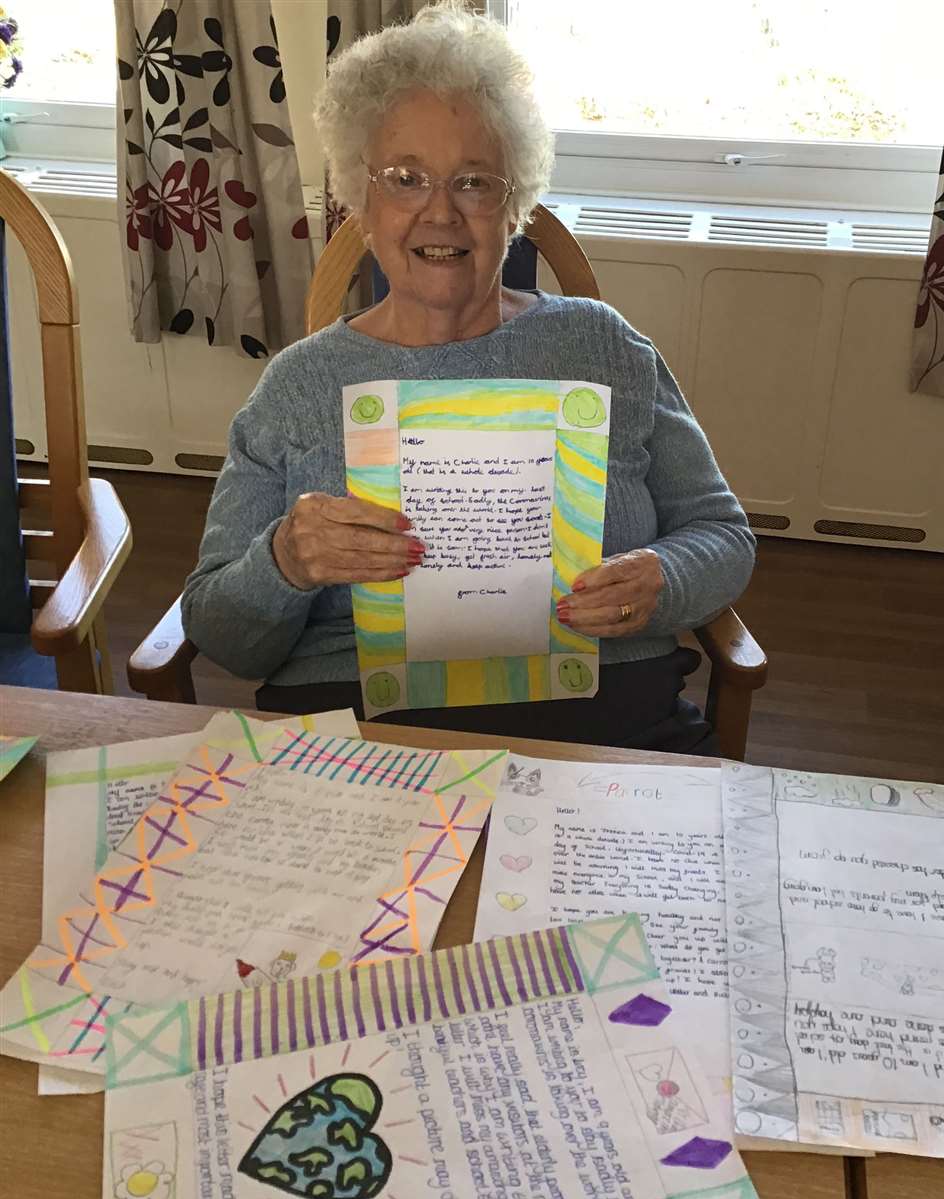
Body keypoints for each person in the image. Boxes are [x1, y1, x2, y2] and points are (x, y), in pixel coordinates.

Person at [182, 2, 755, 755]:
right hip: (361, 741)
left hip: (603, 727)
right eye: (406, 178)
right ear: (361, 200)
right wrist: (286, 560)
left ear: (513, 205)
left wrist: (664, 578)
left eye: (475, 182)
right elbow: (224, 632)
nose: (441, 213)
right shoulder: (298, 387)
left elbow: (724, 534)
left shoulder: (602, 348)